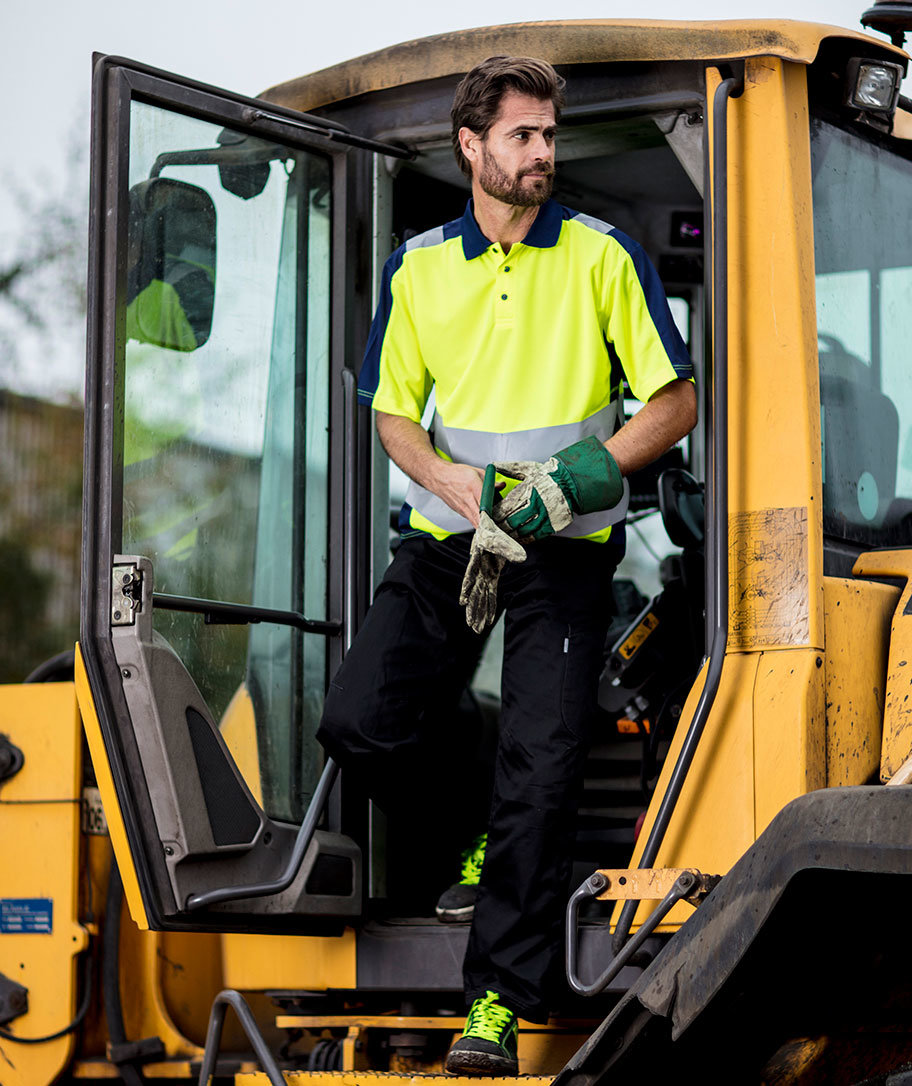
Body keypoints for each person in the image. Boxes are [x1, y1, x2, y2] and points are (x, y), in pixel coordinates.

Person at [317, 55, 697, 1076]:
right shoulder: (418, 268)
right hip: (452, 540)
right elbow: (393, 410)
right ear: (471, 147)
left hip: (565, 553)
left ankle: (494, 1004)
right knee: (360, 721)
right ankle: (479, 834)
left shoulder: (603, 256)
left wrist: (584, 471)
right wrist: (446, 480)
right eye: (522, 135)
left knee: (547, 763)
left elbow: (674, 403)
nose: (542, 153)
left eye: (548, 135)